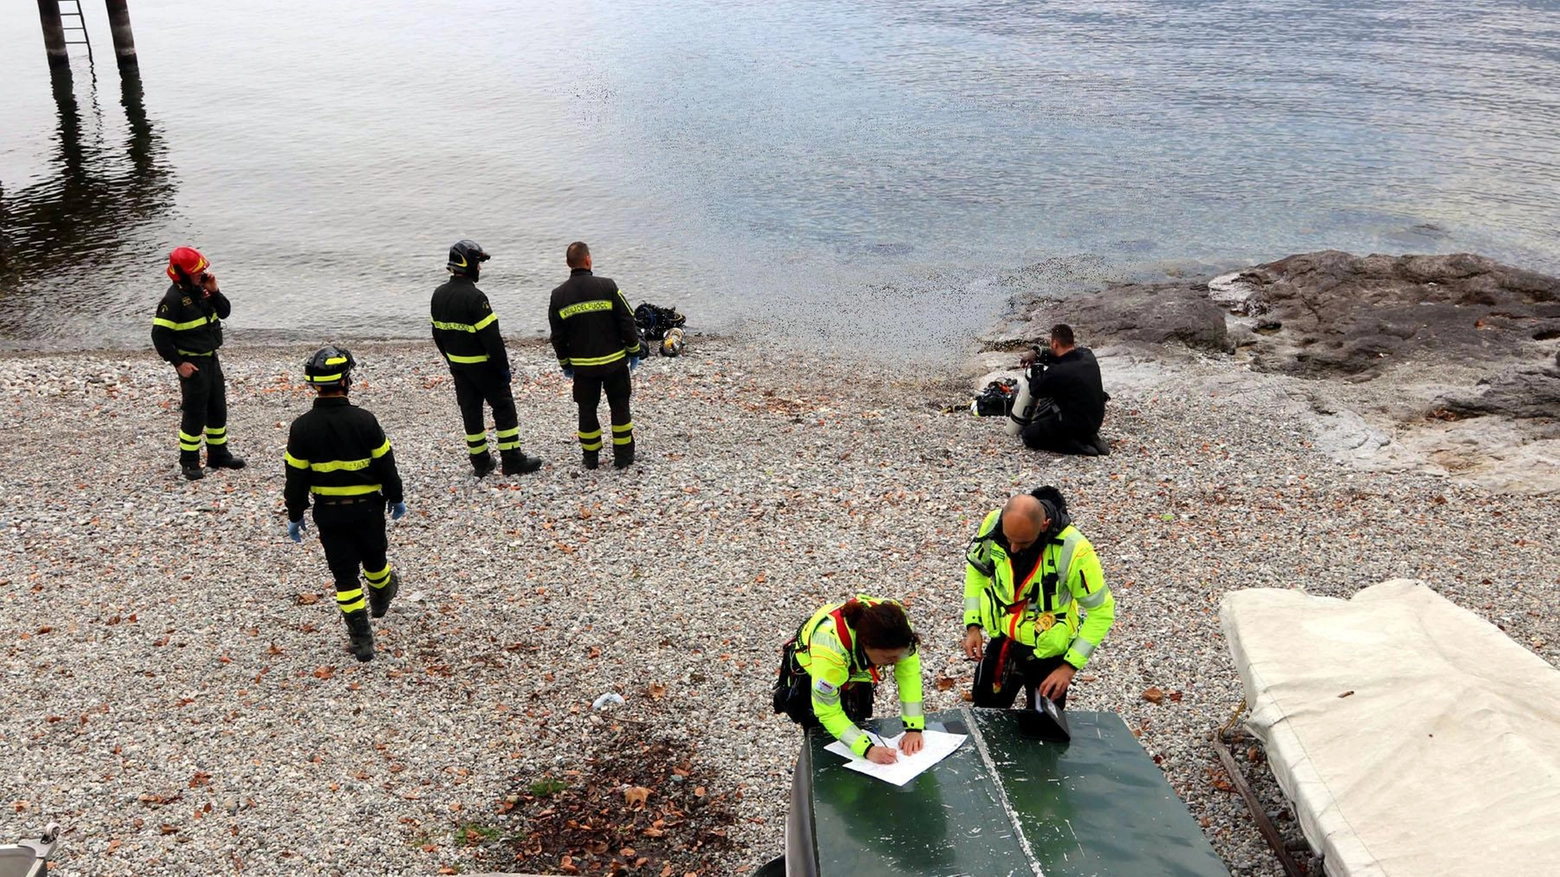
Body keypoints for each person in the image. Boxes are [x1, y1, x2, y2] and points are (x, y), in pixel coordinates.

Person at [283, 346, 406, 663]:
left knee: (345, 577)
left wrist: (295, 514)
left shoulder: (301, 428)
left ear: (315, 385)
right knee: (376, 561)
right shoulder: (365, 420)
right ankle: (381, 593)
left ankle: (362, 640)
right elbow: (386, 465)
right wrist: (396, 497)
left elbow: (295, 479)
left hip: (329, 512)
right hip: (368, 509)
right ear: (346, 380)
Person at [962, 487, 1115, 710]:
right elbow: (977, 571)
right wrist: (973, 625)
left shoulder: (1075, 550)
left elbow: (1102, 612)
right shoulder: (995, 523)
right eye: (1008, 539)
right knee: (985, 715)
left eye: (1023, 543)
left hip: (1047, 653)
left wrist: (1068, 667)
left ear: (1044, 525)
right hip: (1004, 640)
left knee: (1046, 730)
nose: (1013, 549)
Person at [430, 239, 543, 477]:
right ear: (468, 265)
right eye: (478, 263)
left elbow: (437, 335)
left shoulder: (438, 295)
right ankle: (512, 459)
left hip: (459, 368)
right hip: (485, 367)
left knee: (470, 413)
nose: (479, 268)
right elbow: (492, 339)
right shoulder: (476, 298)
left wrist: (452, 361)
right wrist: (503, 369)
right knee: (503, 409)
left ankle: (480, 461)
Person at [774, 596, 926, 765]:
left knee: (858, 718)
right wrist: (867, 749)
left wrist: (914, 728)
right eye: (889, 658)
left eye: (900, 655)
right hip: (812, 672)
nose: (897, 661)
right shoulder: (830, 654)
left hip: (855, 667)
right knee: (824, 739)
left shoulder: (899, 631)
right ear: (865, 644)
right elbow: (828, 712)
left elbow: (909, 676)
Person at [548, 242, 646, 470]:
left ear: (568, 264)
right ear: (588, 261)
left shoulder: (558, 295)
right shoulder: (608, 286)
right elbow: (627, 321)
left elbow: (557, 336)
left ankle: (590, 457)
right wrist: (634, 351)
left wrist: (565, 364)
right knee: (619, 405)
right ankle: (623, 456)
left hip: (583, 368)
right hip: (614, 362)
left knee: (587, 409)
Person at [151, 246, 245, 480]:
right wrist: (179, 363)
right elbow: (159, 336)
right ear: (181, 274)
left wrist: (215, 291)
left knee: (217, 409)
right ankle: (189, 462)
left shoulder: (202, 291)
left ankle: (218, 454)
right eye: (196, 271)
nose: (201, 274)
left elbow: (224, 313)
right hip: (192, 364)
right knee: (195, 413)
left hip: (211, 359)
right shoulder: (172, 301)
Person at [1019, 324, 1109, 456]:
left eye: (1051, 344)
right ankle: (1089, 437)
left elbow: (1035, 389)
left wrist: (1036, 366)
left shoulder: (1058, 371)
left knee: (1029, 435)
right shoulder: (1087, 355)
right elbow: (1059, 356)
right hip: (1095, 420)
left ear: (1055, 344)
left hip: (1076, 425)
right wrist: (1036, 352)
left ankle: (1079, 446)